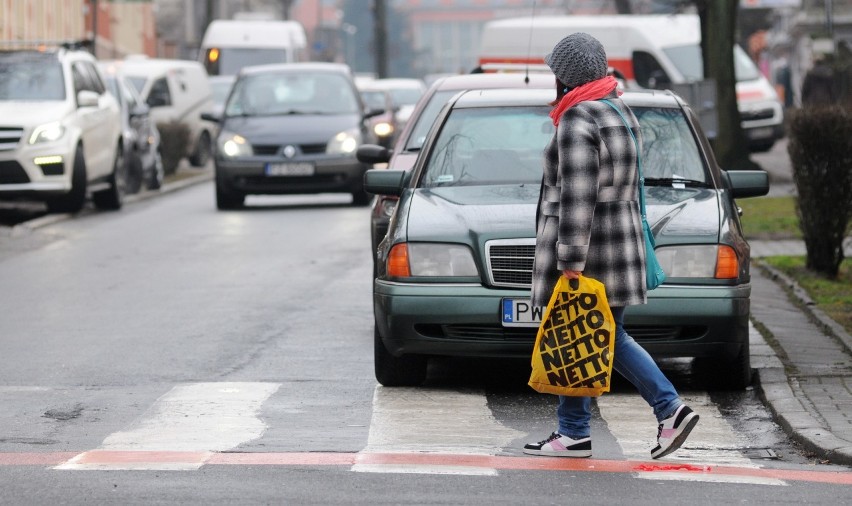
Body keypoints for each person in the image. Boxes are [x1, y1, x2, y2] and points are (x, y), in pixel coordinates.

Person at [524, 32, 699, 460]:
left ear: (565, 76)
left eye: (555, 71)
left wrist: (569, 260)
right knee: (578, 335)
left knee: (602, 335)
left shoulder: (577, 119)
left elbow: (578, 196)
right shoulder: (617, 109)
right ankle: (573, 432)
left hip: (592, 250)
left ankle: (669, 408)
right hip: (619, 244)